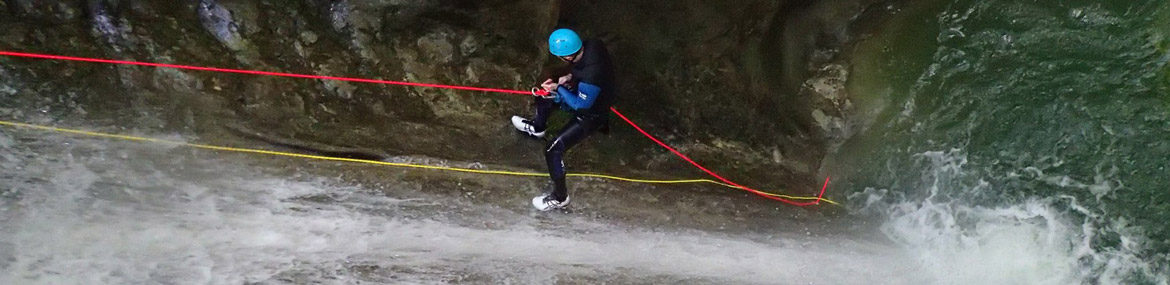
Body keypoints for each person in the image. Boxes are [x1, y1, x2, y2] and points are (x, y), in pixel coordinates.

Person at [511, 28, 617, 211]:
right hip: (585, 92)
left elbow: (580, 106)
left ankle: (560, 197)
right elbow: (580, 70)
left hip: (591, 115)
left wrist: (559, 89)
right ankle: (537, 127)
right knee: (543, 95)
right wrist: (566, 78)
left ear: (567, 57)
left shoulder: (591, 76)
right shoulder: (593, 44)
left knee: (553, 149)